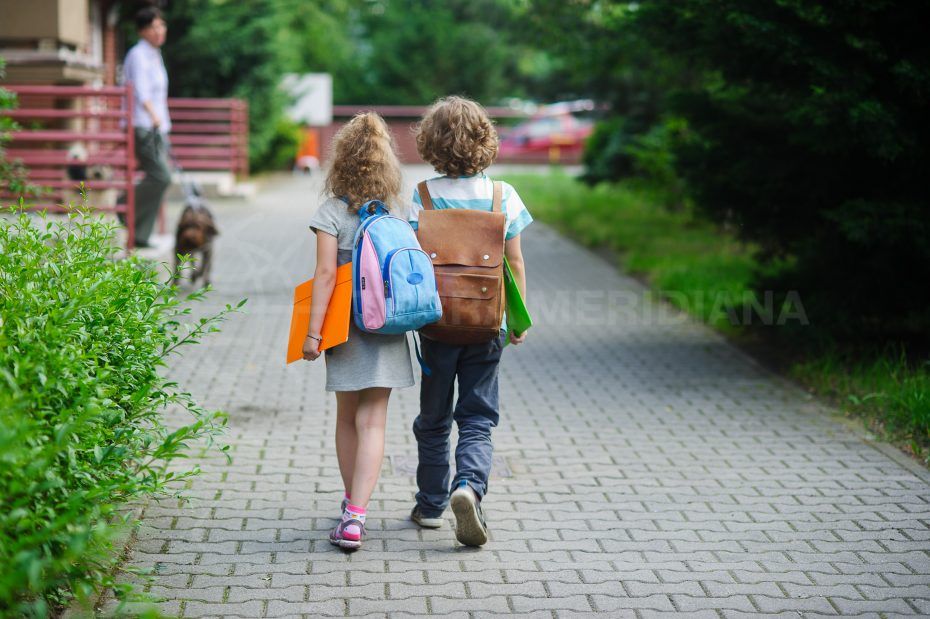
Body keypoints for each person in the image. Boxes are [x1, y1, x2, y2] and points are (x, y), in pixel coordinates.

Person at [408, 96, 532, 546]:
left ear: (431, 143)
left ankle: (430, 505)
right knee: (478, 416)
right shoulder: (503, 195)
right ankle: (470, 487)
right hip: (487, 324)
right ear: (485, 141)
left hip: (437, 323)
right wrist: (516, 319)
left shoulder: (420, 195)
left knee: (433, 417)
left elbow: (411, 262)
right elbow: (514, 264)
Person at [303, 112, 415, 550]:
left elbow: (326, 275)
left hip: (346, 328)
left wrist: (313, 335)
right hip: (388, 324)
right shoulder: (398, 210)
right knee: (374, 421)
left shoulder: (330, 211)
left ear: (341, 160)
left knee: (347, 417)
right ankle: (357, 515)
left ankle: (350, 508)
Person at [122, 6, 171, 248]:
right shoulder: (138, 54)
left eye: (161, 25)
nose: (159, 30)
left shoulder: (154, 53)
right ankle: (124, 204)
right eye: (153, 27)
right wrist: (153, 116)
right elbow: (140, 89)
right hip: (143, 125)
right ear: (142, 31)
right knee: (161, 176)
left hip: (158, 126)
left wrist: (162, 122)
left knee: (161, 177)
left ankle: (141, 234)